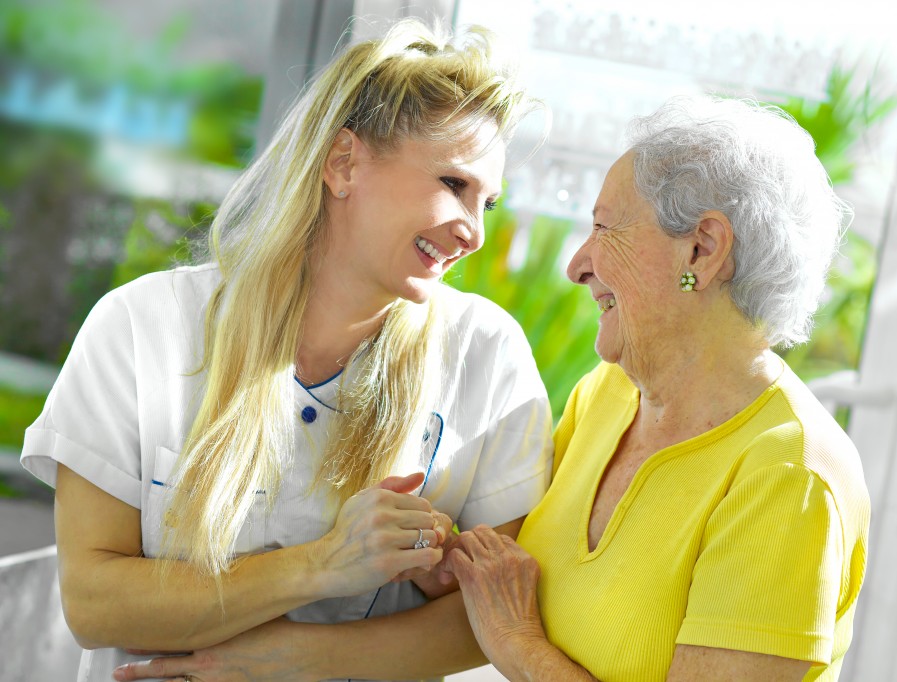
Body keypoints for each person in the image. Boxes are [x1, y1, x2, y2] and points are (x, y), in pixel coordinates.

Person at [114, 97, 869, 682]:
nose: (577, 264)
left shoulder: (789, 480)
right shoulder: (608, 399)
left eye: (606, 229)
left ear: (701, 249)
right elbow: (513, 571)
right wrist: (443, 555)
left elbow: (515, 622)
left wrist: (520, 647)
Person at [20, 17, 551, 682]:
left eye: (489, 203)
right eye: (454, 184)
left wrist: (289, 661)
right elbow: (96, 604)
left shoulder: (489, 356)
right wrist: (324, 563)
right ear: (343, 164)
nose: (473, 231)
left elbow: (489, 616)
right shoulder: (139, 326)